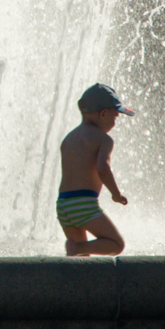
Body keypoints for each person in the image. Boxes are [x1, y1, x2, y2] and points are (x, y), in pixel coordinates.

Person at [58, 82, 132, 257]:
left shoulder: (68, 139)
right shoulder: (103, 139)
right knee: (115, 244)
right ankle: (79, 248)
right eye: (115, 117)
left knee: (81, 261)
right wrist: (116, 194)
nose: (114, 123)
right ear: (103, 113)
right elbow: (102, 168)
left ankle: (77, 263)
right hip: (83, 203)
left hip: (63, 204)